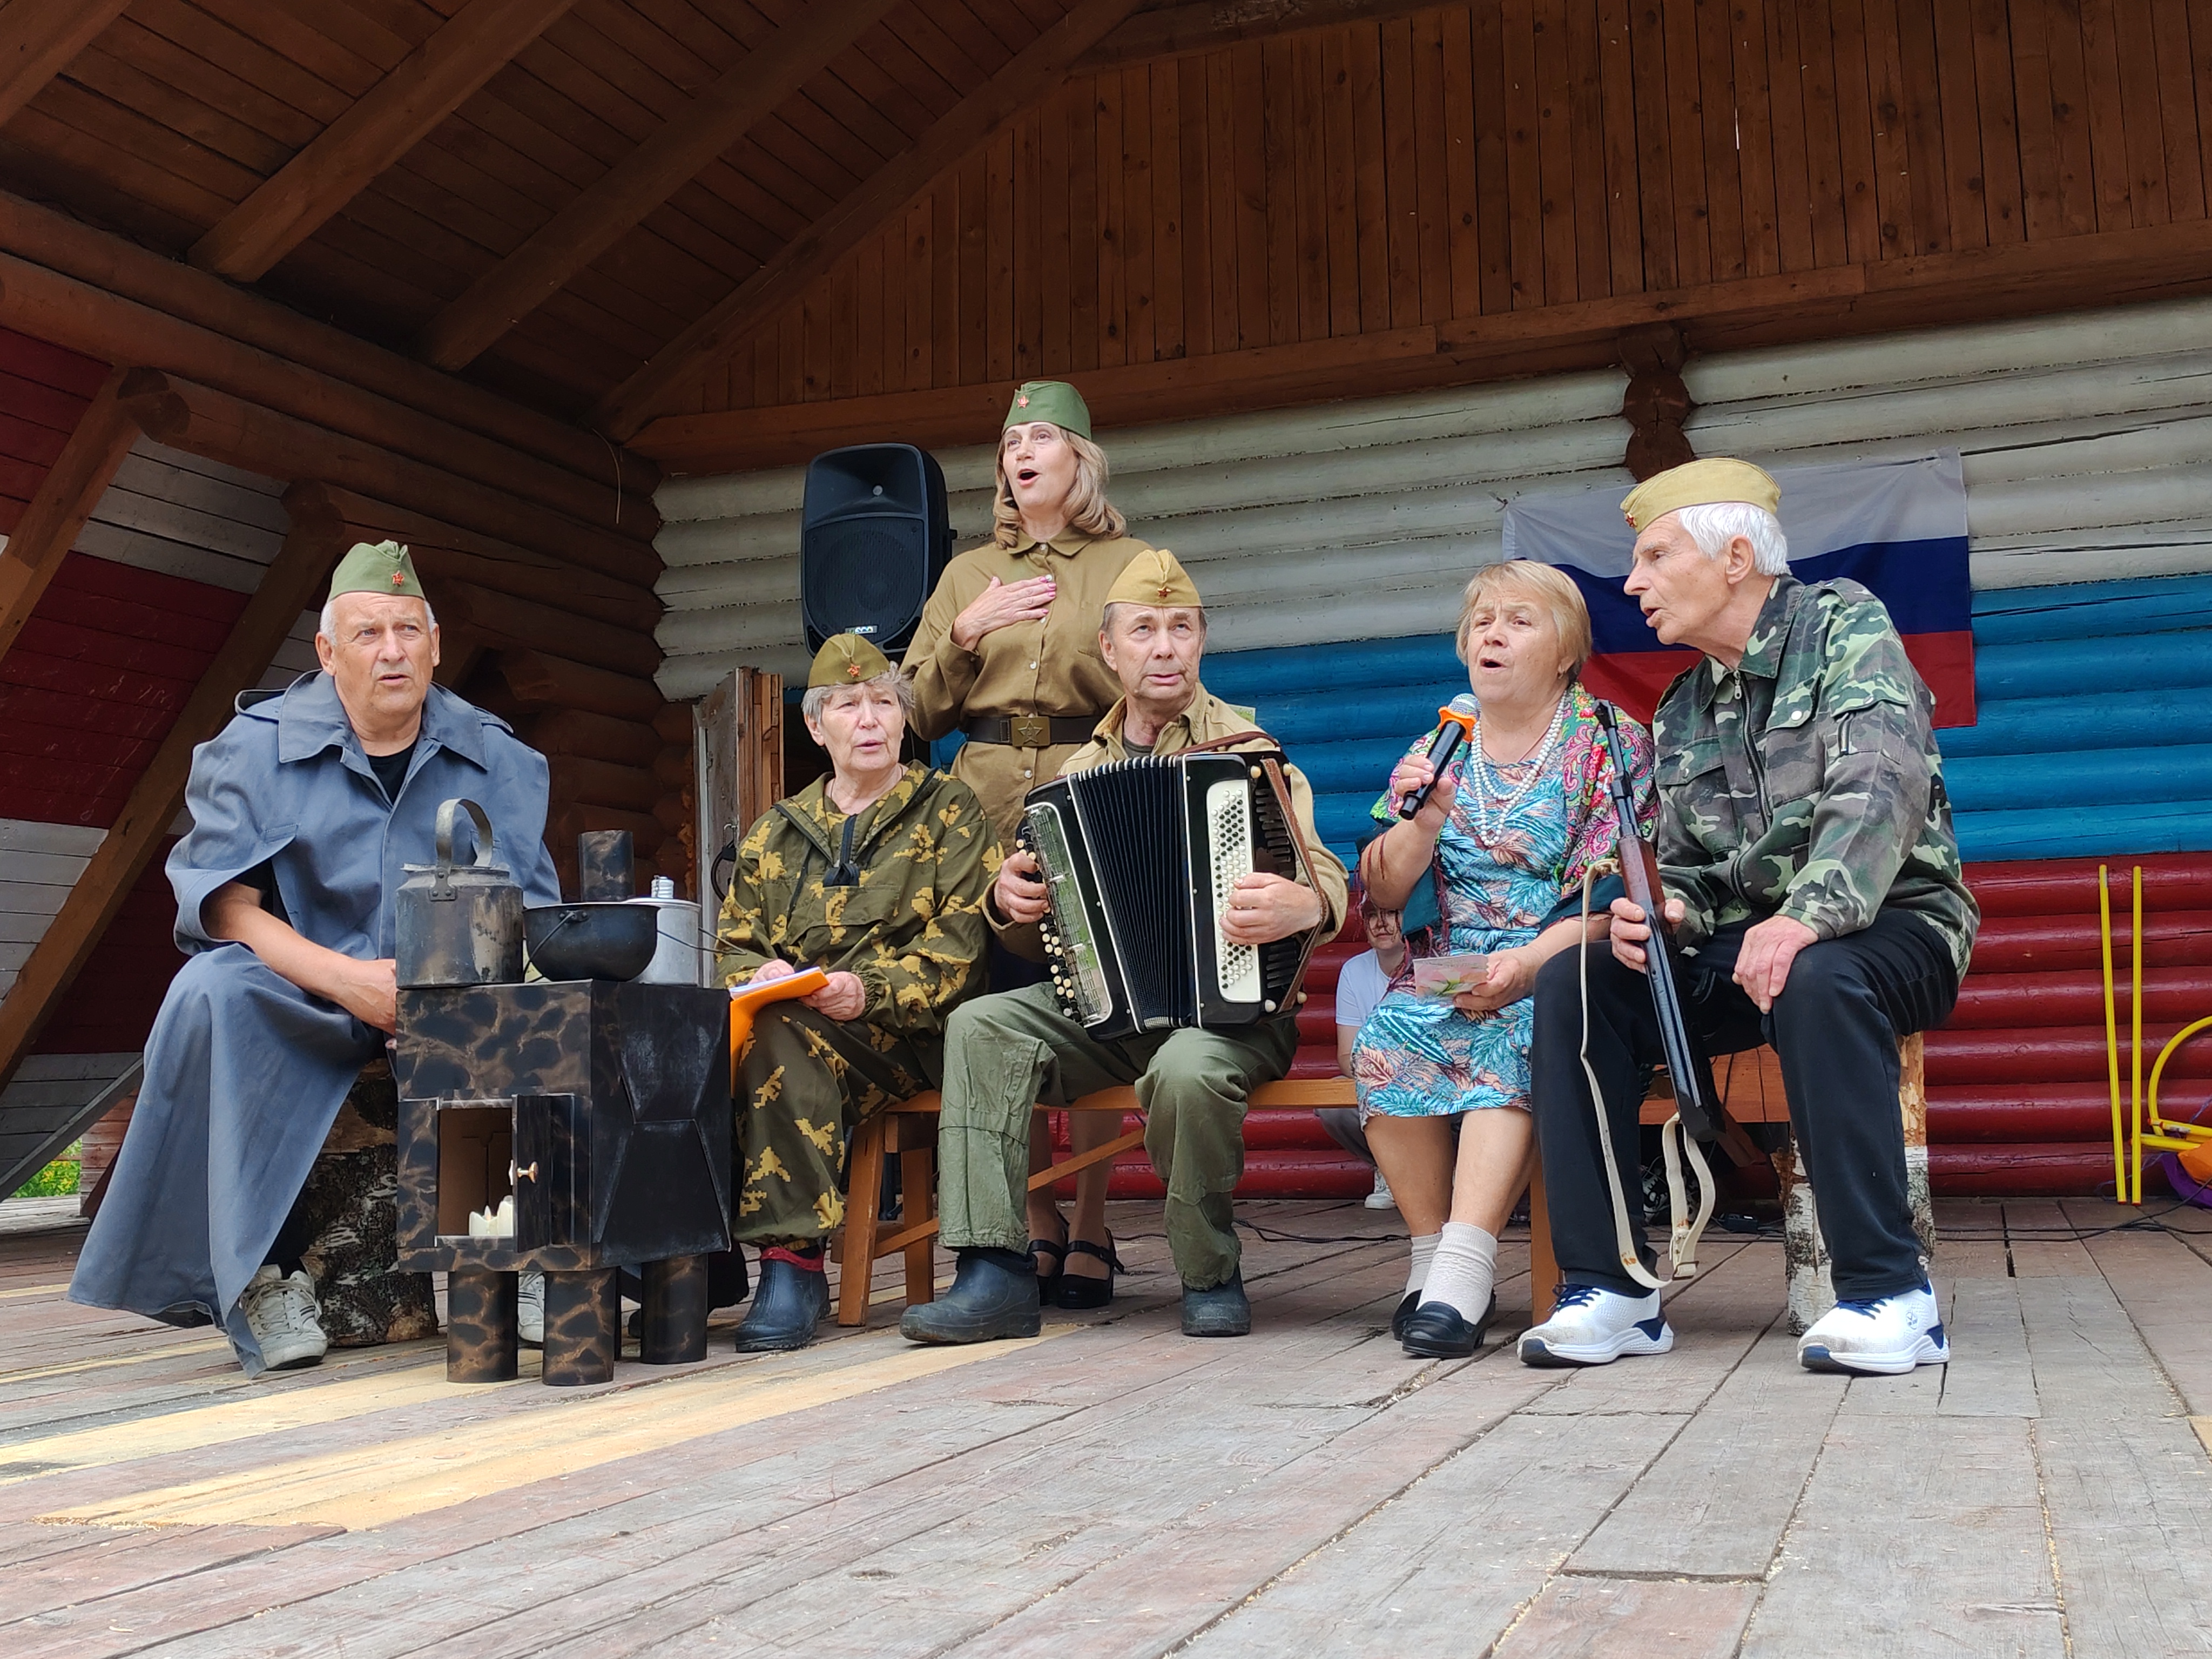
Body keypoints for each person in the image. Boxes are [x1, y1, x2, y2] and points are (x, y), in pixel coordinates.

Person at [1523, 458, 1978, 1376]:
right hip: (1750, 944)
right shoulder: (1685, 703)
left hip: (1895, 920)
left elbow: (1878, 786)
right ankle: (1610, 1288)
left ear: (1734, 557)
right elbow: (1692, 869)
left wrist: (1804, 915)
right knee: (1580, 979)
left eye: (1653, 556)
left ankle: (1892, 1292)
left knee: (1814, 973)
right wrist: (1664, 912)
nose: (1633, 581)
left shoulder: (1845, 625)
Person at [68, 542, 561, 1376]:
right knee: (208, 994)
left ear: (437, 644)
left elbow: (530, 912)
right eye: (368, 633)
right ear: (328, 653)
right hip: (304, 989)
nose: (393, 650)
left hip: (450, 991)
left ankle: (504, 1255)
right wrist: (350, 984)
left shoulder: (499, 754)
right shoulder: (252, 747)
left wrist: (449, 997)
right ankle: (264, 1272)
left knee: (536, 998)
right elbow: (226, 904)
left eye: (409, 629)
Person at [901, 550, 1348, 1343]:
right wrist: (1011, 901)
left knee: (1184, 1067)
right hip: (1115, 1016)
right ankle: (992, 1272)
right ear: (1111, 651)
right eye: (1144, 630)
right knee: (981, 1025)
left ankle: (1209, 1270)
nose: (1165, 647)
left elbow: (1325, 877)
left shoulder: (1250, 749)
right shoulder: (1082, 770)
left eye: (1181, 628)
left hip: (1235, 1017)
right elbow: (1048, 930)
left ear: (1202, 642)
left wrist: (1300, 903)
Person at [1354, 561, 1655, 1359]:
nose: (1492, 632)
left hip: (1562, 960)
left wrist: (1528, 961)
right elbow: (1382, 889)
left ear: (1565, 651)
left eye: (1520, 620)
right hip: (1454, 964)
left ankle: (1465, 1263)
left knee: (1513, 1032)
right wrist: (1420, 824)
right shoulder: (1438, 744)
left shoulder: (1609, 742)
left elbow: (1616, 888)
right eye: (1482, 619)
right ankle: (1434, 1260)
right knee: (1386, 1035)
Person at [903, 379, 1162, 1305]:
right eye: (1010, 438)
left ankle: (1092, 1222)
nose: (1020, 451)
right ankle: (1031, 1219)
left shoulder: (1131, 561)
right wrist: (966, 636)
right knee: (989, 998)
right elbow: (916, 709)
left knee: (1088, 996)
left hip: (1088, 783)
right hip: (976, 798)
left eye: (1041, 435)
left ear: (1079, 459)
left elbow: (1154, 678)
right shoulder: (966, 574)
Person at [714, 635, 999, 1351]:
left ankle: (792, 1264)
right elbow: (734, 948)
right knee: (696, 1046)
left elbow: (959, 954)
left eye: (884, 704)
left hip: (911, 1038)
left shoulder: (949, 811)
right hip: (799, 1032)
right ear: (817, 726)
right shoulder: (775, 833)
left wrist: (863, 990)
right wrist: (759, 978)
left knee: (780, 1039)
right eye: (848, 706)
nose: (869, 720)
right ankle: (688, 1265)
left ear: (905, 720)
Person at [1320, 899, 1406, 1211]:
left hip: (1430, 1082)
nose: (1381, 924)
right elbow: (1346, 1056)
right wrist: (1382, 1072)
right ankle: (1391, 1170)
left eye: (1392, 913)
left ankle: (1446, 1171)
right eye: (1371, 915)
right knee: (1332, 1105)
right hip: (1377, 1080)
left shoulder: (1429, 961)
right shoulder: (1354, 971)